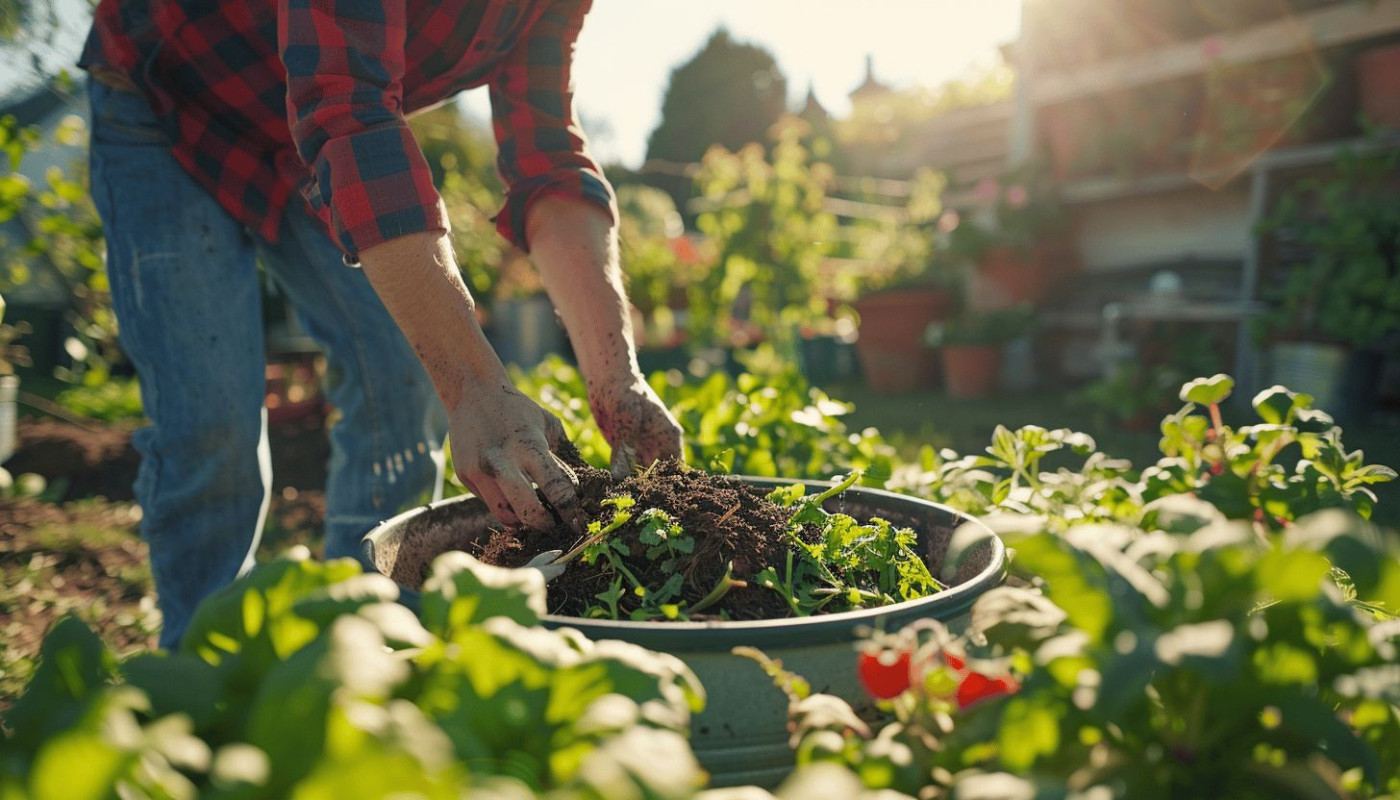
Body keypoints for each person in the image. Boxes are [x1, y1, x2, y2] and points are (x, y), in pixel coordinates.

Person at [80, 0, 684, 649]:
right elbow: (346, 107)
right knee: (212, 424)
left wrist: (617, 380)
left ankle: (361, 645)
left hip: (304, 133)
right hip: (168, 98)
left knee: (399, 372)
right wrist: (475, 385)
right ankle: (203, 667)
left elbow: (550, 161)